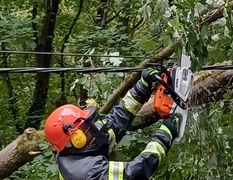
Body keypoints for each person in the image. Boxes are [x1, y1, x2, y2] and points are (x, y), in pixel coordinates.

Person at [44, 67, 179, 180]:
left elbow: (116, 121)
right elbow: (134, 173)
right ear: (76, 138)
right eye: (84, 126)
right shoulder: (88, 172)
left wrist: (142, 87)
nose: (91, 126)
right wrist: (164, 135)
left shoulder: (81, 146)